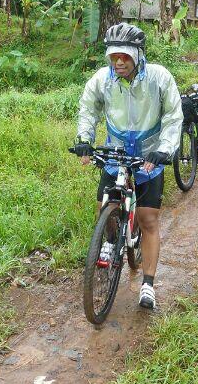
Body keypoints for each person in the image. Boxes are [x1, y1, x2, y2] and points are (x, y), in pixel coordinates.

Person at [75, 23, 182, 310]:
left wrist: (166, 148)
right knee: (103, 209)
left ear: (138, 54)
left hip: (150, 157)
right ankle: (110, 241)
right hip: (116, 153)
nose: (119, 62)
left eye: (125, 56)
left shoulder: (159, 78)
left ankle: (147, 283)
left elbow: (173, 115)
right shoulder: (102, 80)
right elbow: (89, 109)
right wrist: (84, 139)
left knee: (148, 220)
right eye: (113, 56)